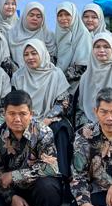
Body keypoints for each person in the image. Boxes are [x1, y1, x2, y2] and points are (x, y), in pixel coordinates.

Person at [0, 89, 62, 206]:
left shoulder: (43, 132)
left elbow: (51, 167)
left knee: (49, 187)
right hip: (12, 189)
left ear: (31, 114)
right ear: (4, 114)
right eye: (11, 114)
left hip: (36, 187)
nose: (17, 119)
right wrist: (11, 196)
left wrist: (15, 175)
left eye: (22, 114)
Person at [11, 39, 73, 179]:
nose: (30, 57)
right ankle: (22, 176)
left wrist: (47, 119)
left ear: (42, 53)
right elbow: (15, 102)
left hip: (49, 118)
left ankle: (60, 175)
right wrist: (28, 119)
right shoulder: (19, 76)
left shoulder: (55, 74)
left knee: (60, 129)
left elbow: (63, 102)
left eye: (34, 53)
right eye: (26, 54)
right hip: (25, 118)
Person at [74, 31, 112, 129]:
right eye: (97, 47)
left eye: (106, 47)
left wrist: (106, 122)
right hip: (89, 123)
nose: (101, 50)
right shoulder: (86, 76)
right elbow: (81, 108)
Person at [55, 1, 92, 73]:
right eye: (60, 15)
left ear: (74, 15)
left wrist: (61, 77)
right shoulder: (58, 33)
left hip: (77, 77)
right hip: (58, 75)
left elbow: (83, 64)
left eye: (67, 14)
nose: (63, 18)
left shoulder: (83, 34)